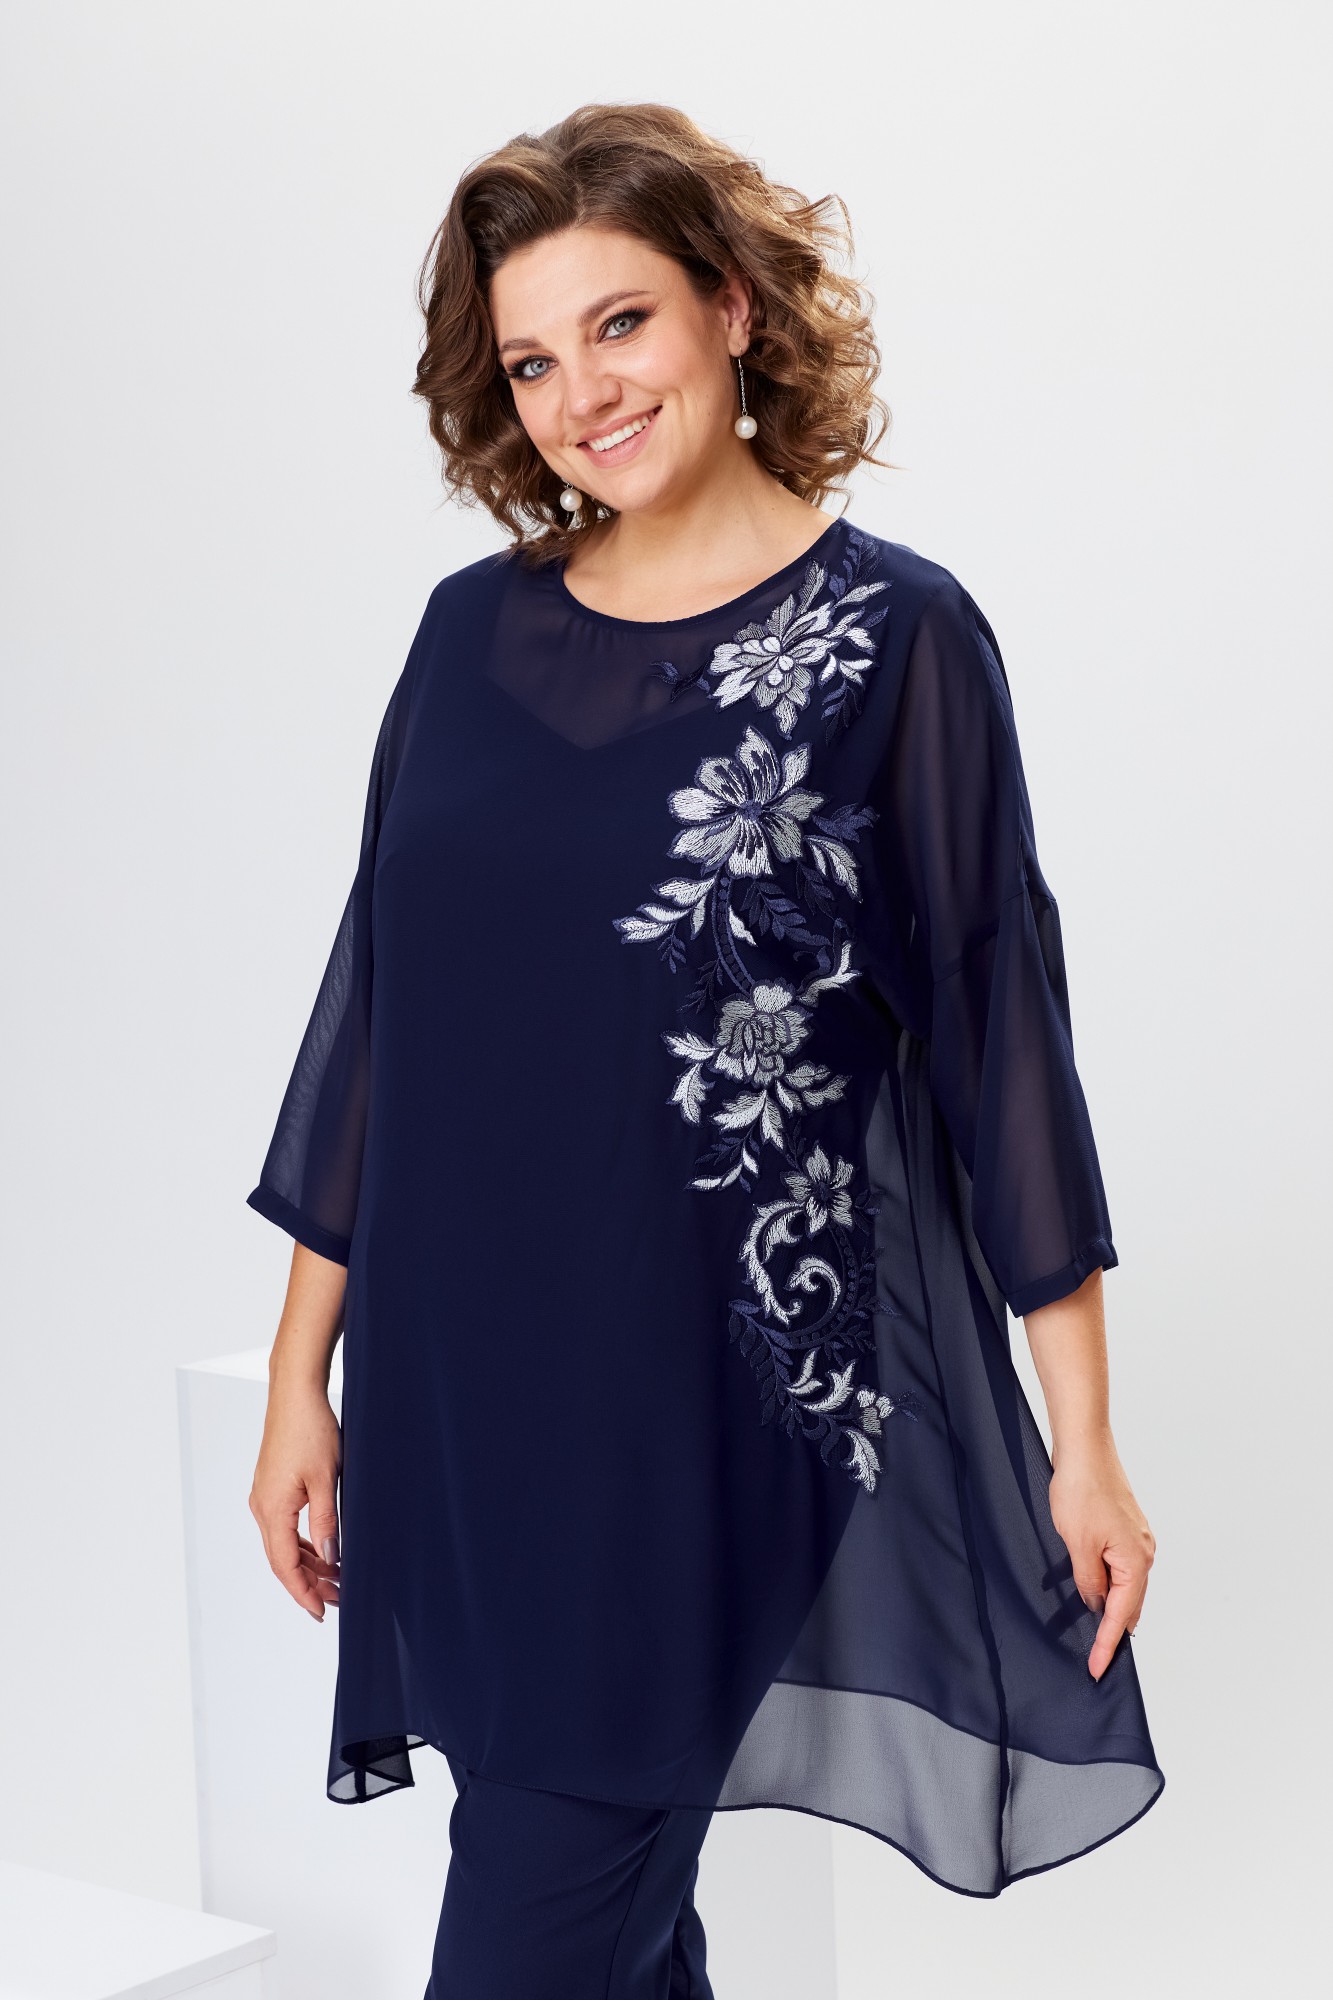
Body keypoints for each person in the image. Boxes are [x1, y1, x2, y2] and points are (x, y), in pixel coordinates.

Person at [245, 101, 1164, 1998]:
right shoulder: (465, 638)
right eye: (530, 359)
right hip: (461, 1394)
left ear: (731, 309)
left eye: (620, 324)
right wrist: (296, 1377)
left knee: (539, 1908)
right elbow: (378, 1013)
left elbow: (998, 1029)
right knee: (607, 1917)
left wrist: (1080, 1443)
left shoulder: (894, 640)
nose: (579, 392)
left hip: (699, 1407)